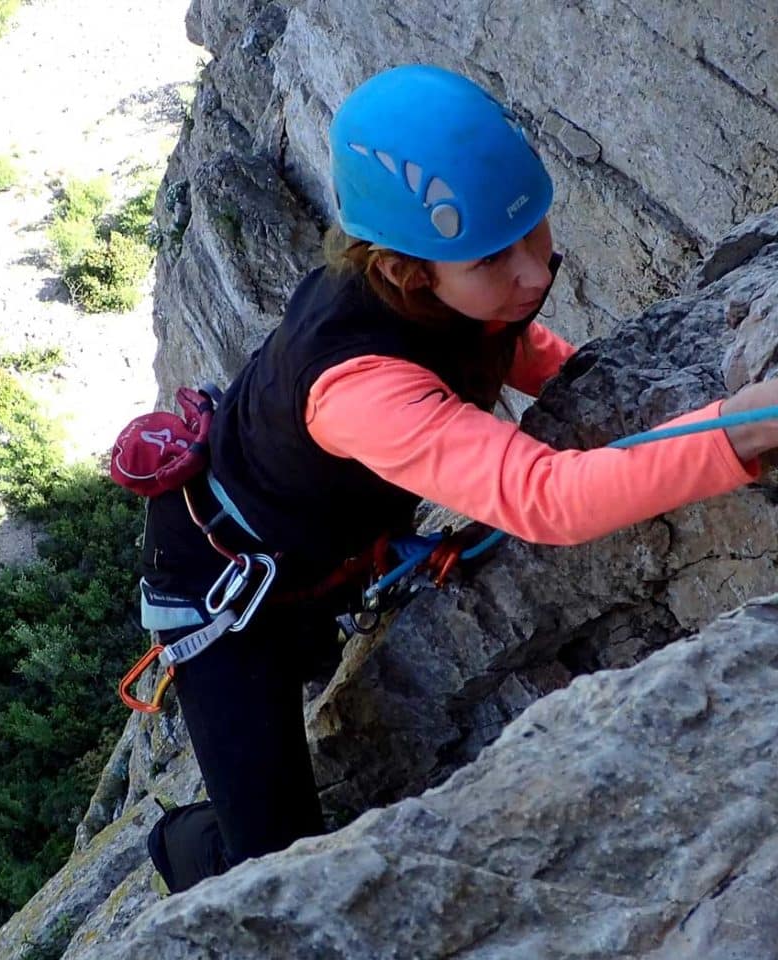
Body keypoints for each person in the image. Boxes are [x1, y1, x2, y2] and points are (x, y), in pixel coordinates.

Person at [143, 64, 778, 892]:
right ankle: (180, 844)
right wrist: (741, 426)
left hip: (312, 541)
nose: (533, 273)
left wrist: (597, 385)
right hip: (224, 593)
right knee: (271, 862)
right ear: (408, 269)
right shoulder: (360, 390)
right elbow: (550, 500)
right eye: (491, 256)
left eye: (534, 232)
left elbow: (502, 341)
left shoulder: (437, 286)